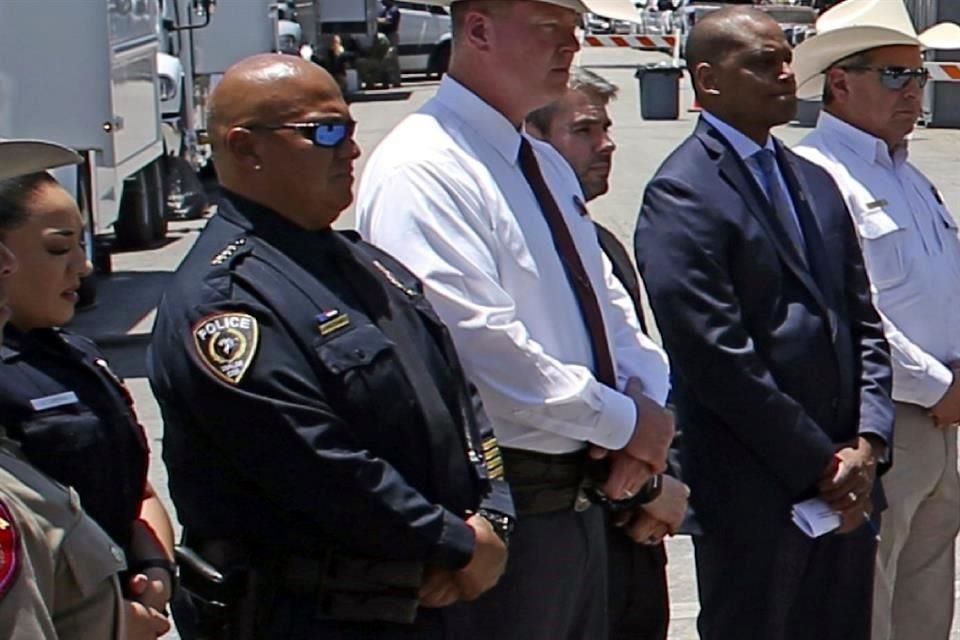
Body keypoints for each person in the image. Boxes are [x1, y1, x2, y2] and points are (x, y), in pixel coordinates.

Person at [147, 53, 512, 639]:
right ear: (246, 149)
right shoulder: (225, 302)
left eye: (349, 128)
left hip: (425, 599)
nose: (351, 149)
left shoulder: (364, 264)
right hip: (312, 615)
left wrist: (493, 517)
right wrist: (455, 541)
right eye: (325, 131)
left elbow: (461, 406)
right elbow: (315, 465)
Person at [356, 1, 674, 638]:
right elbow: (481, 352)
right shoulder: (425, 167)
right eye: (550, 28)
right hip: (511, 503)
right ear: (477, 30)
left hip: (583, 497)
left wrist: (645, 409)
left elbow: (609, 308)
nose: (573, 46)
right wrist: (626, 423)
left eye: (575, 29)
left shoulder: (543, 163)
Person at [633, 7, 894, 640]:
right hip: (756, 494)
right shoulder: (684, 192)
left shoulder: (814, 182)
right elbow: (715, 356)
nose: (784, 72)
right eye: (762, 61)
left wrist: (869, 441)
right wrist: (819, 463)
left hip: (847, 491)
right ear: (707, 80)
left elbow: (862, 318)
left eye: (787, 56)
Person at [792, 1, 960, 638]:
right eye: (895, 75)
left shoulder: (911, 176)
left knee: (925, 594)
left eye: (920, 76)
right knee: (870, 596)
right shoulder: (817, 174)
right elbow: (843, 312)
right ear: (840, 81)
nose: (914, 91)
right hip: (883, 418)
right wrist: (937, 387)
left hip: (941, 421)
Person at [525, 66, 688, 640]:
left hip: (633, 535)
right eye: (586, 131)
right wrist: (643, 488)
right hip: (571, 525)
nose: (608, 144)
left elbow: (639, 369)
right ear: (534, 141)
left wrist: (656, 476)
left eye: (608, 128)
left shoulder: (599, 241)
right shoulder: (526, 253)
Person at [0, 137, 171, 640]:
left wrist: (154, 568)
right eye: (58, 248)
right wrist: (112, 622)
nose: (83, 266)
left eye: (81, 244)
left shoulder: (76, 355)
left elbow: (135, 488)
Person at [377, 0, 402, 87]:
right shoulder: (385, 10)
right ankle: (387, 81)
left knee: (391, 58)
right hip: (385, 35)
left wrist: (376, 20)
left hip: (391, 35)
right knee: (385, 59)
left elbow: (388, 21)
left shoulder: (393, 10)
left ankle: (396, 81)